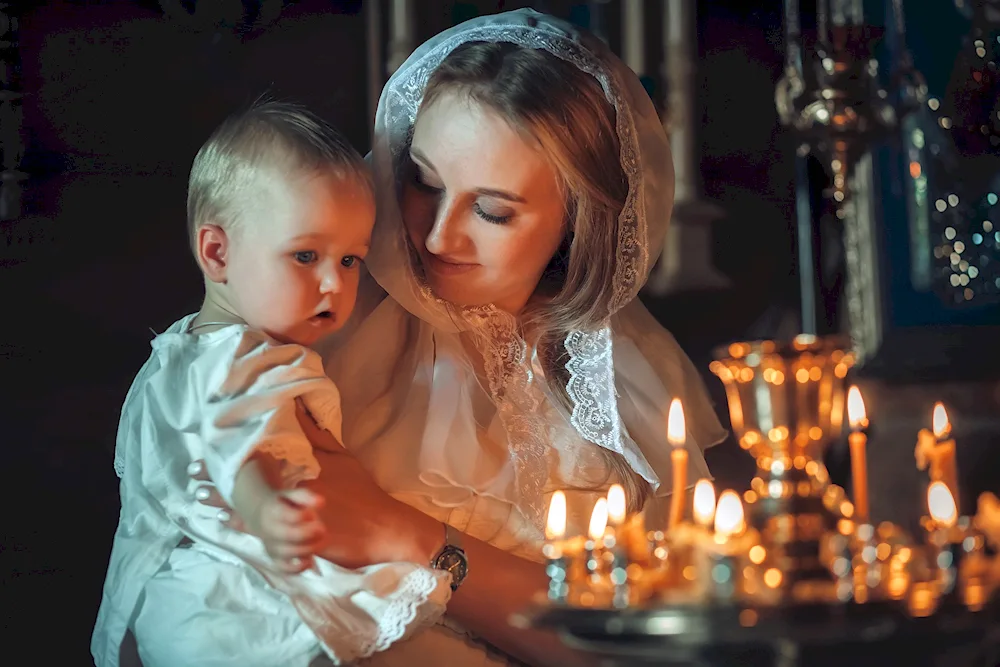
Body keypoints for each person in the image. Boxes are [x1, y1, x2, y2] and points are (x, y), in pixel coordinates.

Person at [135, 9, 730, 667]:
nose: (440, 235)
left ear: (578, 218)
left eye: (493, 210)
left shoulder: (630, 388)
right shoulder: (311, 322)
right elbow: (181, 554)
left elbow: (651, 649)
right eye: (423, 179)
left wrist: (412, 534)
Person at [91, 101, 453, 667]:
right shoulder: (242, 358)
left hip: (174, 599)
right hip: (232, 604)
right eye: (305, 255)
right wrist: (263, 506)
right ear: (217, 252)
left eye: (351, 260)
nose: (333, 283)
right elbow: (239, 444)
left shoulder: (180, 352)